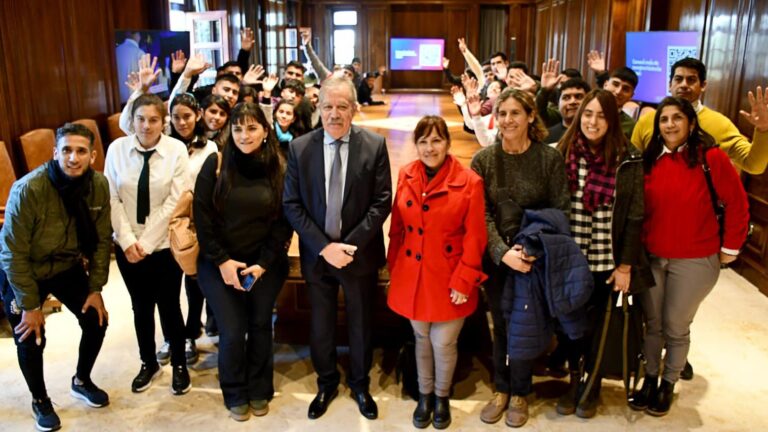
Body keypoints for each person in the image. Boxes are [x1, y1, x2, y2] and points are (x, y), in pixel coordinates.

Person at [628, 96, 749, 416]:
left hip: (695, 260)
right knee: (652, 324)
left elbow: (737, 204)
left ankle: (669, 382)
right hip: (653, 257)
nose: (669, 124)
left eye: (677, 118)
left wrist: (730, 249)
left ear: (691, 123)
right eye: (664, 119)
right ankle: (650, 379)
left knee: (675, 325)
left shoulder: (712, 158)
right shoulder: (649, 160)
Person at [283, 76, 392, 420]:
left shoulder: (374, 146)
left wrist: (349, 245)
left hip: (358, 254)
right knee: (321, 324)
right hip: (318, 255)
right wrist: (323, 247)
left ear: (354, 109)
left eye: (342, 106)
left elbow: (382, 201)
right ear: (318, 107)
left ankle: (360, 384)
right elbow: (292, 204)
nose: (334, 114)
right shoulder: (300, 148)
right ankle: (327, 382)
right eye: (328, 106)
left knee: (361, 322)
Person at [0, 123, 111, 431]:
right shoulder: (28, 189)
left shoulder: (99, 185)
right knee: (30, 334)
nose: (72, 158)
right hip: (26, 268)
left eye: (80, 151)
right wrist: (30, 305)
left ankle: (82, 379)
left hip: (65, 265)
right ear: (55, 153)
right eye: (66, 150)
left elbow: (102, 241)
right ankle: (40, 399)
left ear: (92, 155)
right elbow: (12, 254)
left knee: (96, 318)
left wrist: (95, 287)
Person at [470, 88, 570, 427]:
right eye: (502, 113)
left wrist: (530, 250)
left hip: (533, 257)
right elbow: (480, 214)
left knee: (526, 323)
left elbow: (559, 211)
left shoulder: (548, 159)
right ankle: (501, 388)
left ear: (530, 116)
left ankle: (521, 392)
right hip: (498, 258)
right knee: (501, 323)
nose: (508, 120)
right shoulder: (484, 160)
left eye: (515, 113)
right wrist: (501, 253)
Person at [554, 89, 653, 418]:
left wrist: (625, 264)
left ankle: (591, 383)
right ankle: (572, 380)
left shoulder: (628, 157)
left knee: (599, 325)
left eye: (600, 116)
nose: (592, 122)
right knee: (570, 325)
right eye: (587, 114)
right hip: (570, 257)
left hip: (604, 259)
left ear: (612, 121)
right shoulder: (564, 150)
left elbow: (635, 214)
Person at [387, 116, 487, 429]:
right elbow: (398, 228)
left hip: (449, 277)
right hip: (412, 275)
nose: (430, 148)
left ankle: (442, 396)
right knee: (421, 338)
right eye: (423, 141)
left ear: (447, 143)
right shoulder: (406, 174)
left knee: (443, 342)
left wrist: (465, 278)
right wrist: (395, 268)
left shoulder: (469, 181)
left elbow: (476, 236)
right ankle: (424, 394)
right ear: (415, 145)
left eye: (436, 140)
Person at [194, 103, 291, 421]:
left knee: (261, 325)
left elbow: (282, 224)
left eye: (252, 128)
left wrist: (262, 263)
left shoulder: (279, 166)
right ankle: (234, 391)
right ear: (228, 132)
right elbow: (203, 220)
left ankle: (260, 387)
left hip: (265, 264)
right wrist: (223, 262)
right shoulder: (216, 163)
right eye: (237, 128)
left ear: (265, 130)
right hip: (218, 263)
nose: (244, 135)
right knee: (233, 330)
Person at [105, 93, 191, 395]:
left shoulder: (176, 150)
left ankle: (179, 363)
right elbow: (111, 196)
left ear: (163, 122)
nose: (146, 125)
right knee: (140, 307)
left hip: (164, 244)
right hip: (127, 243)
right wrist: (128, 240)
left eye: (153, 120)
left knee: (169, 305)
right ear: (132, 120)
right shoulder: (116, 149)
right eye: (140, 119)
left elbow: (176, 200)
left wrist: (146, 241)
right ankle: (147, 362)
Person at [153, 93, 218, 366]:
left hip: (194, 222)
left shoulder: (209, 148)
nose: (182, 122)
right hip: (165, 221)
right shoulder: (161, 147)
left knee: (195, 284)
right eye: (176, 117)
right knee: (166, 287)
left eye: (187, 116)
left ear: (198, 116)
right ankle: (171, 336)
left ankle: (192, 333)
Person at [631, 57, 768, 175]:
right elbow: (630, 166)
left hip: (699, 202)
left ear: (703, 85)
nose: (684, 85)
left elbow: (754, 166)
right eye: (678, 79)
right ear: (670, 85)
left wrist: (763, 129)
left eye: (691, 80)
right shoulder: (647, 121)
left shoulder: (720, 124)